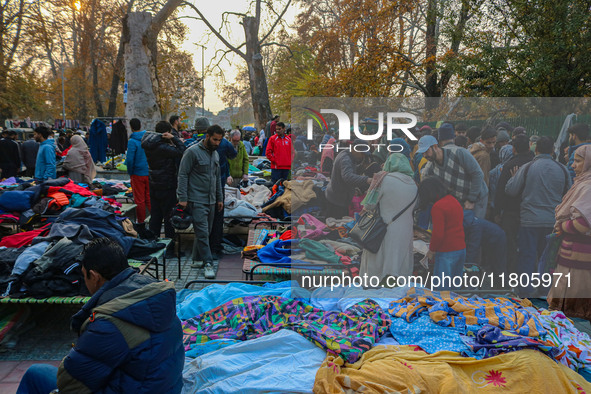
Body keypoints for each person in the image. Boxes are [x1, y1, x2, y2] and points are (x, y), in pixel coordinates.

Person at [16, 238, 184, 394]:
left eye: (84, 275)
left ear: (94, 276)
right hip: (166, 387)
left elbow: (70, 385)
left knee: (35, 373)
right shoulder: (157, 296)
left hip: (138, 387)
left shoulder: (109, 323)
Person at [505, 136, 571, 293]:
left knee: (527, 257)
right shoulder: (562, 169)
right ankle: (545, 292)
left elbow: (511, 191)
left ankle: (524, 292)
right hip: (552, 222)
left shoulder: (527, 168)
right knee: (548, 259)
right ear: (553, 151)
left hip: (529, 221)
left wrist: (513, 178)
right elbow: (569, 194)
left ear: (536, 150)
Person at [547, 145, 591, 321]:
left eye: (578, 161)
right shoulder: (582, 183)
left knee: (574, 310)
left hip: (579, 256)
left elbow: (583, 224)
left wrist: (563, 227)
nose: (573, 165)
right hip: (571, 254)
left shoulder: (588, 187)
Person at [359, 153, 417, 281]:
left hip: (383, 228)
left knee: (379, 262)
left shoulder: (383, 179)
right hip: (406, 230)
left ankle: (375, 288)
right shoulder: (414, 184)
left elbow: (369, 205)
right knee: (398, 261)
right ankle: (396, 288)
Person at [177, 125, 224, 279]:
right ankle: (208, 263)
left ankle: (196, 258)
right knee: (203, 232)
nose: (217, 143)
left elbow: (217, 178)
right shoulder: (192, 152)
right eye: (215, 139)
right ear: (207, 136)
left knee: (205, 232)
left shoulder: (215, 154)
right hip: (196, 200)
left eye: (220, 140)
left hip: (211, 200)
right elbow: (183, 175)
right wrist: (182, 198)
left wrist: (219, 198)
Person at [419, 134, 489, 220]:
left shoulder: (459, 153)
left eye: (426, 151)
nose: (425, 156)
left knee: (476, 225)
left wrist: (471, 199)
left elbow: (478, 174)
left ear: (435, 146)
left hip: (477, 195)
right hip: (461, 199)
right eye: (422, 153)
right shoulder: (430, 168)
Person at [142, 121, 186, 256]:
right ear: (166, 133)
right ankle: (170, 249)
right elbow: (182, 151)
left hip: (154, 183)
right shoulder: (162, 147)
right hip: (167, 185)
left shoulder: (149, 144)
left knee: (155, 216)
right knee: (168, 217)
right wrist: (175, 139)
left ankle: (153, 246)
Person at [494, 134, 534, 273]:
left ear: (514, 149)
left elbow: (500, 191)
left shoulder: (510, 165)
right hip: (530, 212)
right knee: (528, 246)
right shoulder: (535, 164)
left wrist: (497, 212)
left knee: (509, 245)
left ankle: (509, 274)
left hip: (511, 212)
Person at [419, 176, 466, 286]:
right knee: (455, 288)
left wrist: (431, 251)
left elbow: (438, 234)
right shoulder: (454, 200)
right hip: (461, 249)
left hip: (446, 251)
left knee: (442, 290)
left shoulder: (438, 207)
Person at [325, 140, 372, 218]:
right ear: (354, 149)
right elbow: (348, 176)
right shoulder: (345, 159)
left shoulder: (348, 155)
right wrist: (367, 180)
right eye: (362, 153)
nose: (363, 156)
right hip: (336, 200)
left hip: (338, 196)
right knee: (336, 226)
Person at [125, 118, 151, 225]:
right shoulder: (148, 138)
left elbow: (130, 160)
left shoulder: (132, 141)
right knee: (149, 197)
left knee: (139, 200)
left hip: (137, 173)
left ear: (131, 127)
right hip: (149, 172)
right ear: (141, 125)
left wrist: (130, 172)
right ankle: (153, 219)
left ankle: (141, 222)